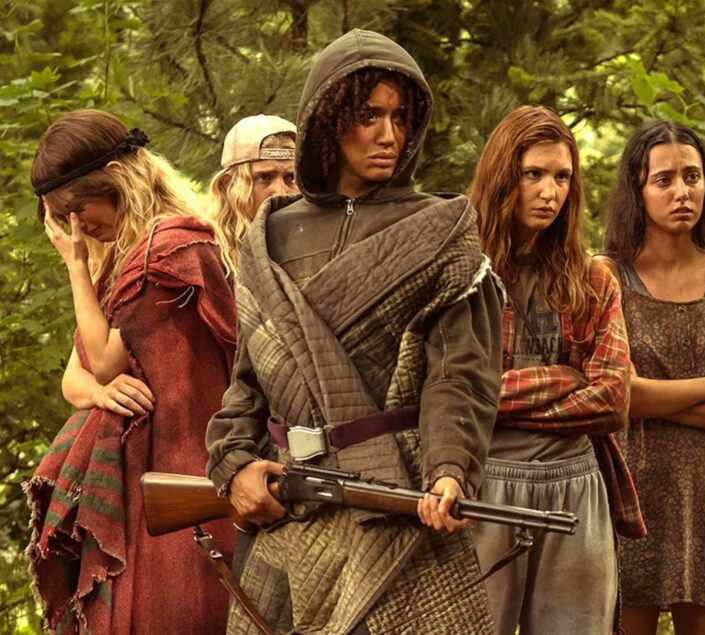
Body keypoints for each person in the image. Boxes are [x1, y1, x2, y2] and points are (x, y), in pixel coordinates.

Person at [204, 29, 504, 634]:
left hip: (401, 497)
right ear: (328, 119)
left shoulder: (441, 229)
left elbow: (459, 376)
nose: (390, 135)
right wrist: (234, 465)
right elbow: (248, 382)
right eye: (369, 116)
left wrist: (450, 471)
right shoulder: (269, 235)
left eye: (400, 117)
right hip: (289, 508)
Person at [26, 109, 236, 634]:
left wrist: (76, 266)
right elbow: (77, 379)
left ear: (117, 180)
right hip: (150, 482)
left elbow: (101, 359)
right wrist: (102, 395)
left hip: (187, 476)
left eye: (78, 210)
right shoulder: (128, 257)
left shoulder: (165, 250)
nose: (77, 227)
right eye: (64, 218)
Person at [468, 105, 643, 634]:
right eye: (534, 174)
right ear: (503, 177)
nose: (550, 191)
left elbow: (611, 400)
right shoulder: (463, 274)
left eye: (562, 177)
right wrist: (564, 378)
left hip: (574, 483)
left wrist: (491, 399)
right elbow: (447, 395)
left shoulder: (592, 279)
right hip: (483, 481)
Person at [602, 120, 705, 635]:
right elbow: (618, 396)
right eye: (665, 180)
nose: (682, 192)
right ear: (637, 189)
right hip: (628, 497)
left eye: (692, 177)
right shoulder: (605, 276)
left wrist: (653, 398)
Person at [207, 114, 299, 266]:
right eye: (265, 177)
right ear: (228, 185)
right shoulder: (207, 255)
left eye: (291, 178)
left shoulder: (319, 245)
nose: (280, 193)